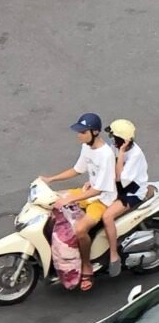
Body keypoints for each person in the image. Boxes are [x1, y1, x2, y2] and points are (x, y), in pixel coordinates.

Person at [40, 113, 117, 292]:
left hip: (102, 200)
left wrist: (70, 199)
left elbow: (99, 189)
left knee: (80, 229)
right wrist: (51, 179)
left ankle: (87, 266)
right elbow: (77, 169)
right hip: (87, 193)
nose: (79, 135)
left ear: (95, 132)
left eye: (82, 132)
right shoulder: (87, 147)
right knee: (52, 202)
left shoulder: (105, 155)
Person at [103, 119, 154, 278]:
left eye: (113, 136)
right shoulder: (115, 147)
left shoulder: (134, 154)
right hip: (118, 188)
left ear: (122, 140)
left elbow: (119, 177)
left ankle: (113, 255)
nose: (111, 139)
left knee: (107, 216)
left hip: (132, 192)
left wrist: (122, 152)